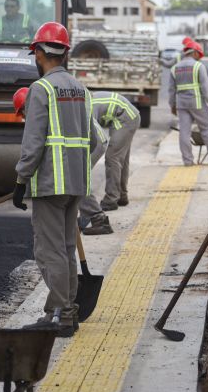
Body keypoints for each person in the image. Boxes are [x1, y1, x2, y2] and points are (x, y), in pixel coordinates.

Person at [12, 22, 101, 337]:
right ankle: (69, 311)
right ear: (64, 52)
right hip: (77, 184)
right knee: (65, 249)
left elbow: (33, 141)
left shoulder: (42, 90)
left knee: (49, 251)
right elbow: (93, 140)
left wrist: (21, 179)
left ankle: (59, 316)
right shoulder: (80, 89)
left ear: (39, 53)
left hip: (50, 184)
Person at [14, 88, 110, 236]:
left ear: (28, 105)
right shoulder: (48, 107)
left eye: (21, 111)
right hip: (91, 140)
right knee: (75, 180)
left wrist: (23, 181)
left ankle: (98, 218)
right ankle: (83, 215)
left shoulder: (43, 111)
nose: (22, 116)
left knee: (77, 181)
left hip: (92, 141)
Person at [168, 40, 208, 166]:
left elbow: (171, 90)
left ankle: (187, 161)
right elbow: (205, 87)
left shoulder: (174, 68)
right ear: (193, 53)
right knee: (207, 130)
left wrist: (172, 105)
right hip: (197, 103)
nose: (199, 57)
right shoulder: (199, 66)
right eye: (199, 54)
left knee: (184, 132)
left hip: (182, 105)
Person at [90, 92, 141, 212]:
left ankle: (111, 199)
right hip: (127, 116)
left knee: (112, 158)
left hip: (126, 118)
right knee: (121, 159)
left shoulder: (86, 109)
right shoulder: (83, 102)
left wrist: (88, 165)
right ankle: (122, 195)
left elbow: (99, 140)